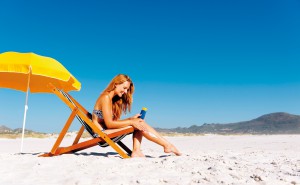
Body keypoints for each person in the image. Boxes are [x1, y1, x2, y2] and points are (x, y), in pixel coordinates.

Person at [92, 74, 181, 157]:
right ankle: (167, 145)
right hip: (101, 134)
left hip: (106, 131)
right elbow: (109, 124)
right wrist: (131, 121)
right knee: (137, 123)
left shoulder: (111, 100)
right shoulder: (105, 97)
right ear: (116, 84)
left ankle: (137, 151)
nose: (126, 92)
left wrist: (131, 119)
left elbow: (112, 123)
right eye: (124, 88)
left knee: (138, 122)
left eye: (127, 89)